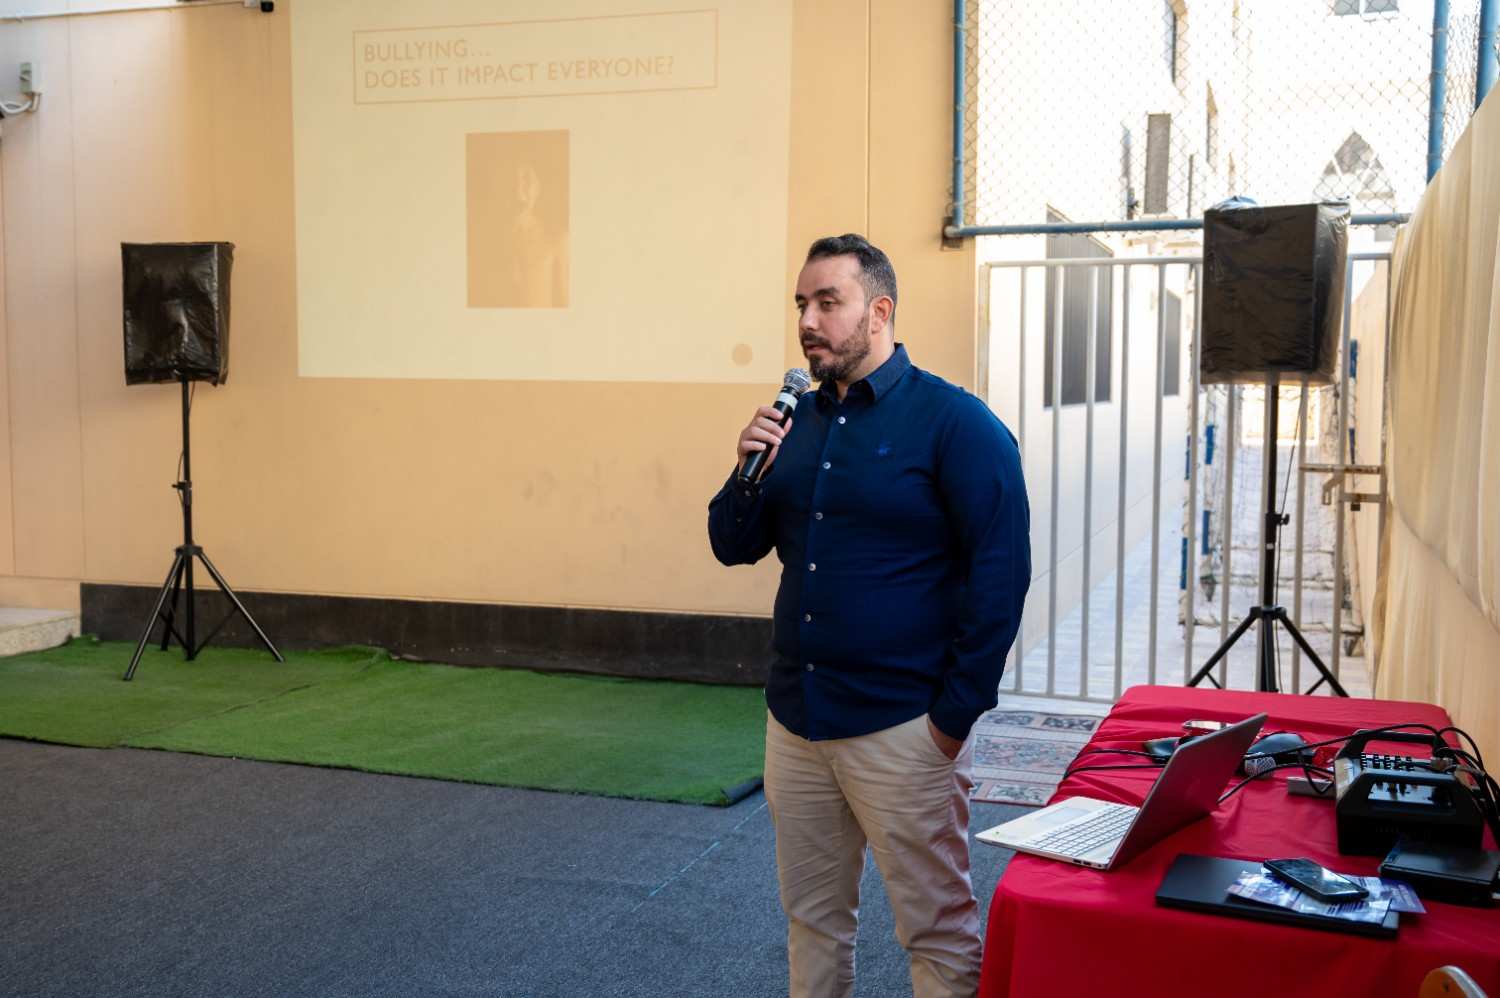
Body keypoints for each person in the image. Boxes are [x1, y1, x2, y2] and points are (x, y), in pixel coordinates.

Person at [707, 233, 1031, 998]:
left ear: (879, 311)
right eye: (801, 304)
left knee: (937, 933)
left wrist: (951, 721)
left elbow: (1000, 578)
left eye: (829, 302)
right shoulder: (793, 424)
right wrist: (748, 467)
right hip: (798, 723)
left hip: (903, 732)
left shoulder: (957, 425)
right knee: (814, 921)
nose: (808, 321)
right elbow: (730, 544)